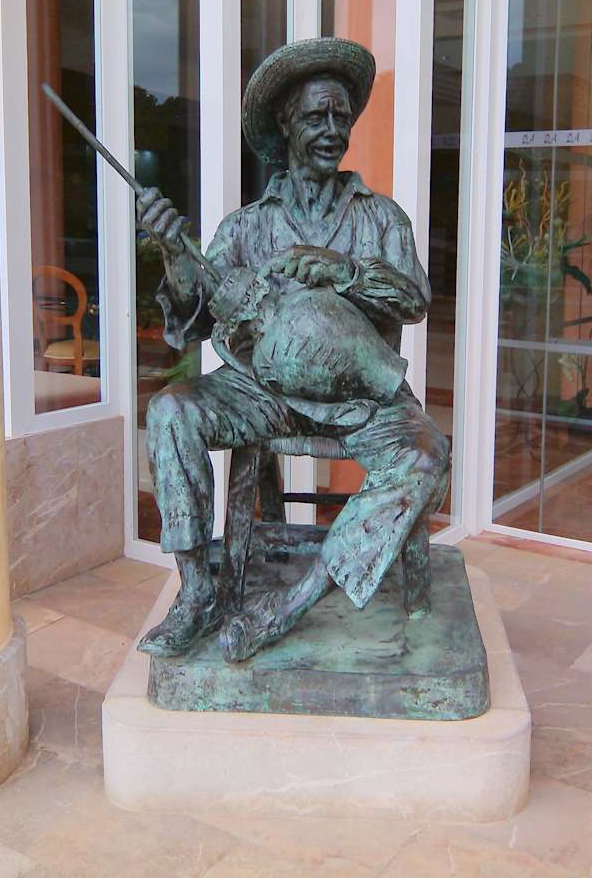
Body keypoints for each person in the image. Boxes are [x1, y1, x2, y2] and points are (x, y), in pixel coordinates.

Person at [136, 37, 450, 662]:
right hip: (263, 394)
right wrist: (173, 254)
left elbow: (415, 301)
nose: (333, 130)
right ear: (286, 125)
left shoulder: (381, 218)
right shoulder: (247, 226)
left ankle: (291, 604)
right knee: (171, 411)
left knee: (426, 455)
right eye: (316, 116)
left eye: (341, 116)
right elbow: (194, 318)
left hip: (364, 398)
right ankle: (196, 591)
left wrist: (345, 272)